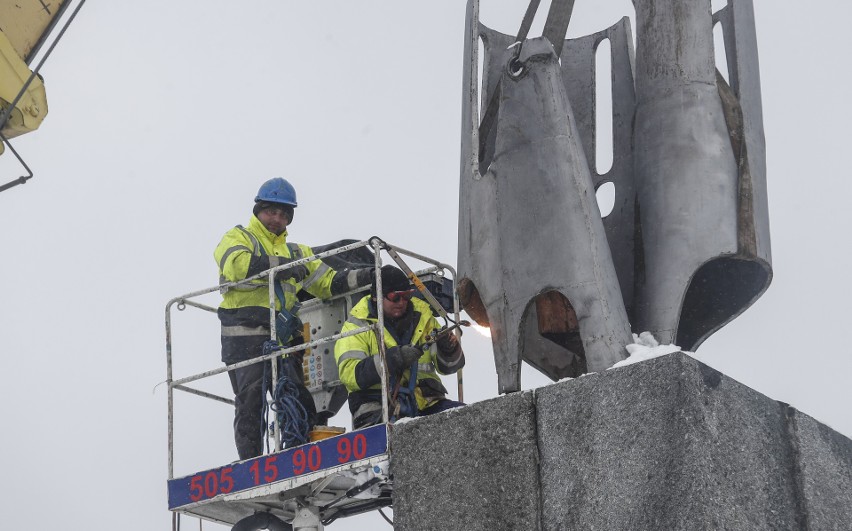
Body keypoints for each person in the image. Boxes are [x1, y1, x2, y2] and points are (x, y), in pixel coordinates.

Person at [214, 177, 373, 460]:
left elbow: (328, 282)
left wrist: (368, 275)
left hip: (284, 338)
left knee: (297, 398)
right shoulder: (239, 238)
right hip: (245, 336)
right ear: (258, 211)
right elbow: (238, 266)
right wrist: (283, 267)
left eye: (283, 214)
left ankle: (298, 453)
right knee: (250, 402)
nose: (276, 219)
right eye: (271, 212)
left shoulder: (298, 252)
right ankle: (249, 462)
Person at [335, 265, 465, 429]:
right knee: (389, 437)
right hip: (378, 405)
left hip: (425, 402)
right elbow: (349, 374)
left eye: (406, 296)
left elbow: (450, 368)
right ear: (377, 297)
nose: (402, 302)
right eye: (395, 297)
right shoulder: (357, 325)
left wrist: (449, 349)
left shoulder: (423, 316)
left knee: (464, 418)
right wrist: (392, 359)